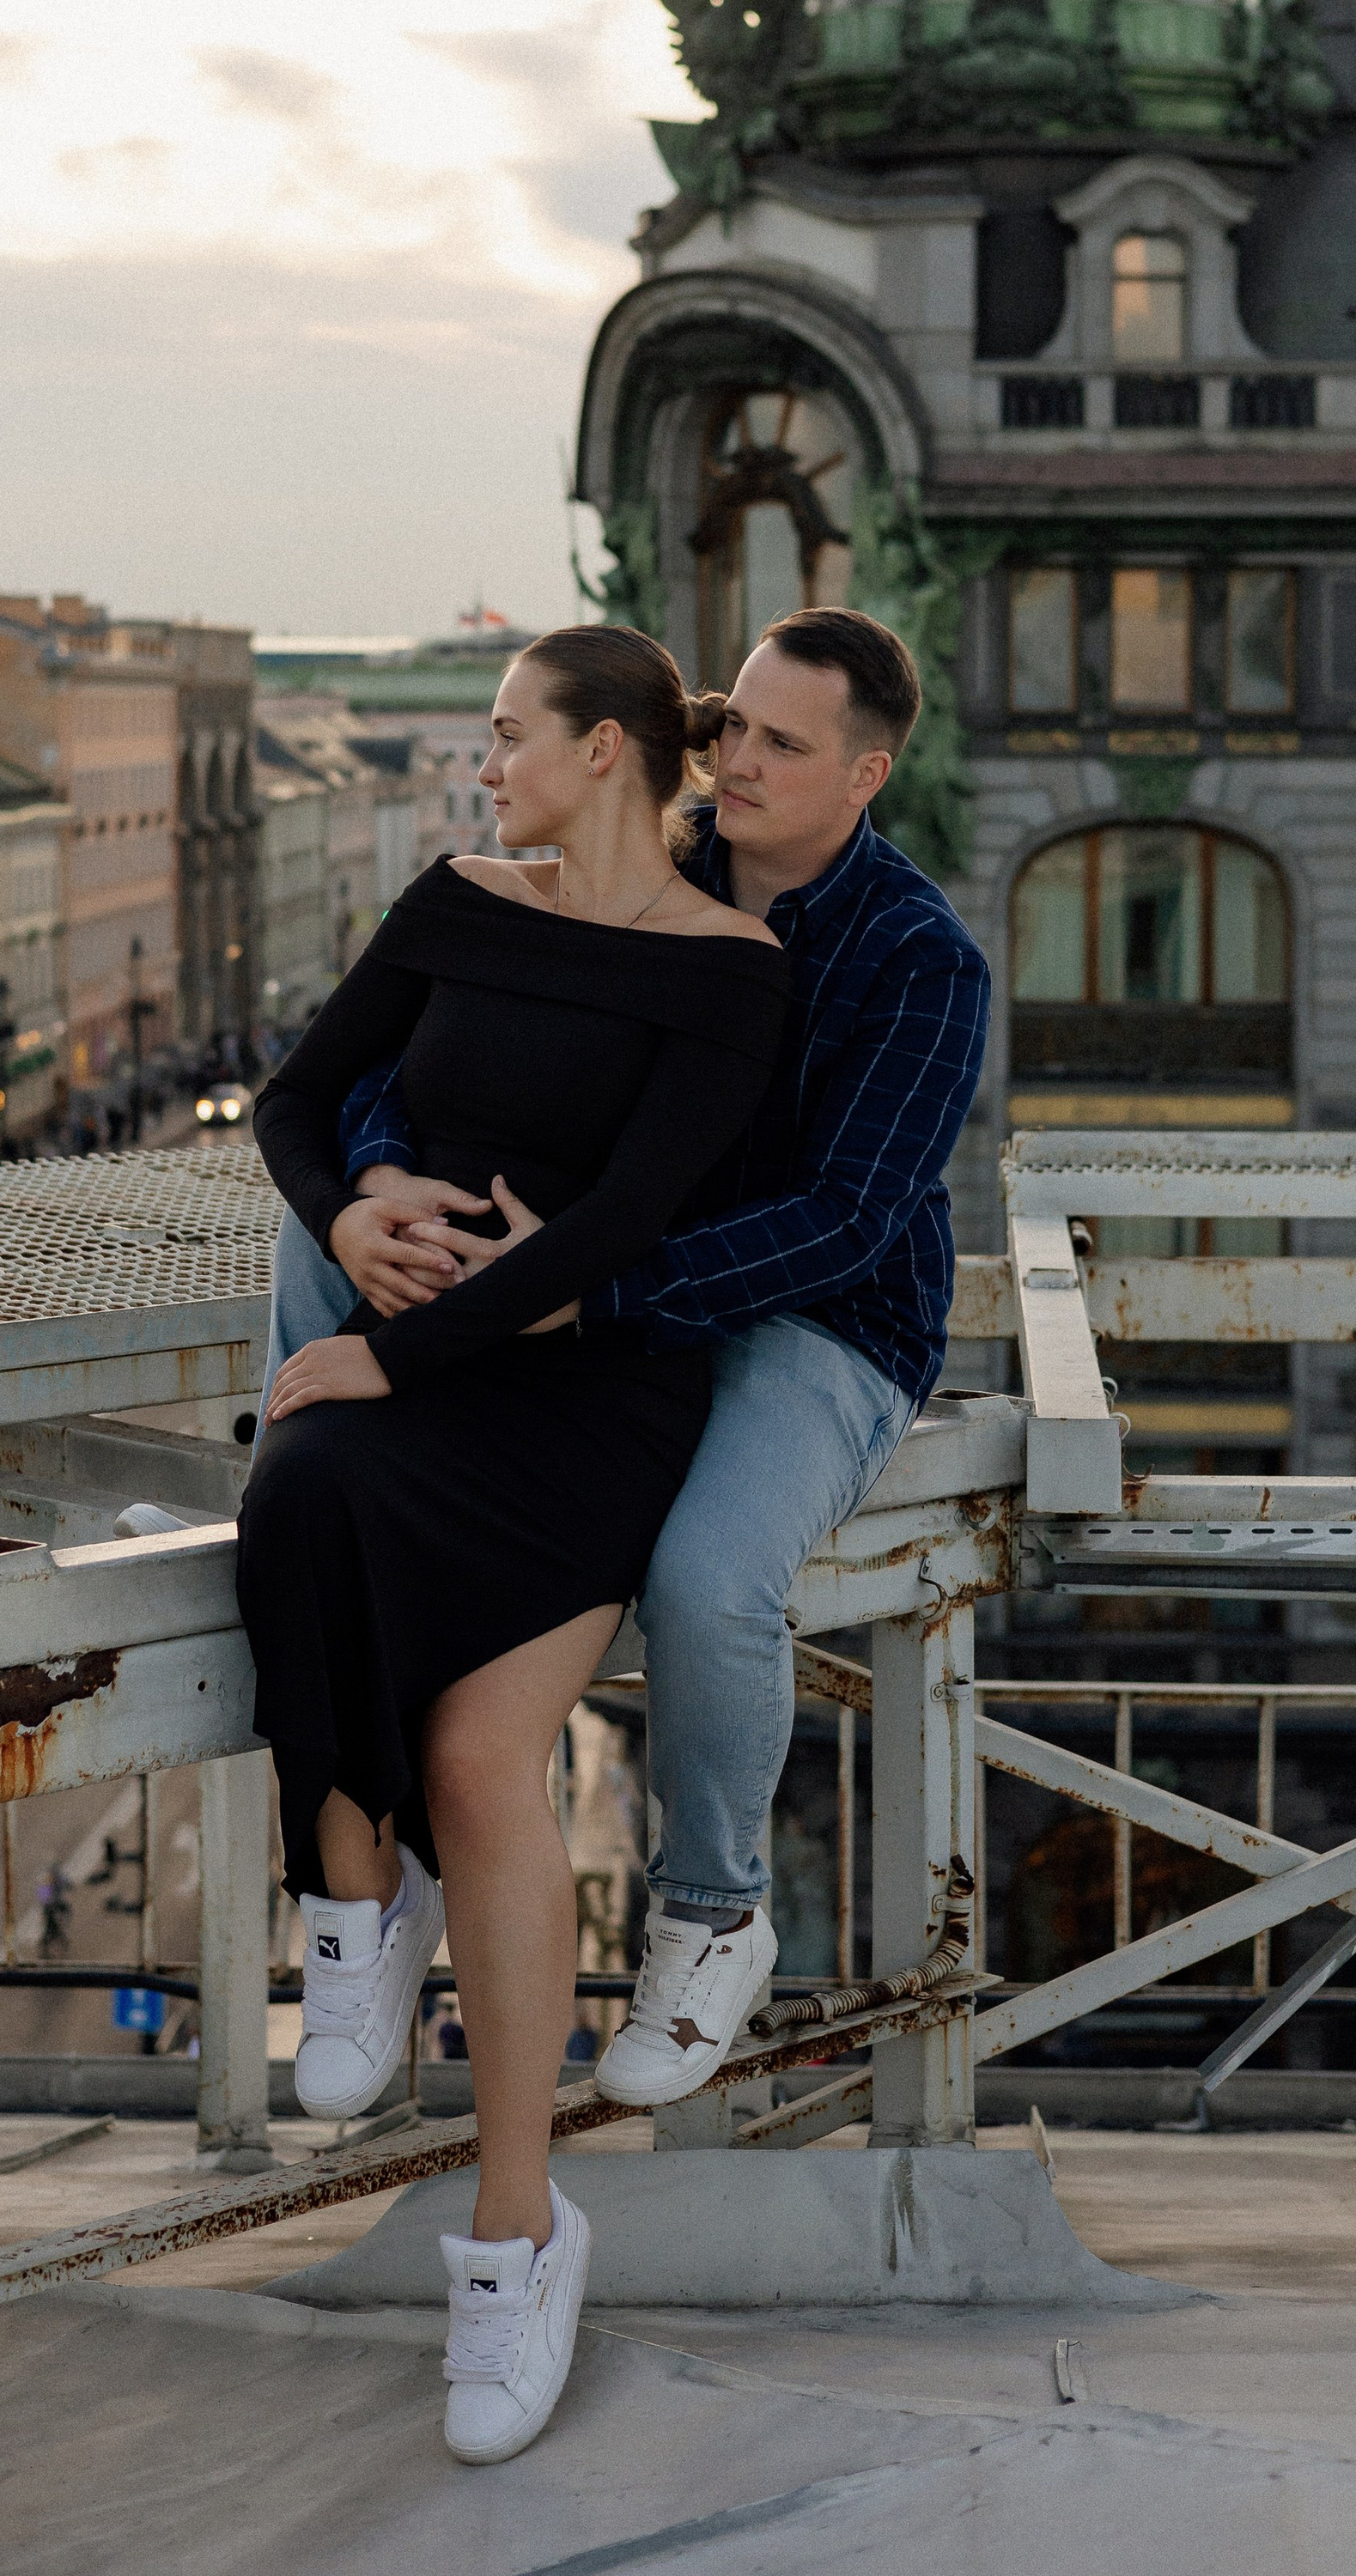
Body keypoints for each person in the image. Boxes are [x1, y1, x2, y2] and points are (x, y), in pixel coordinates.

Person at [265, 605, 989, 2110]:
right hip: (586, 1280)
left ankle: (714, 1912)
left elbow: (846, 1223)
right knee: (315, 1240)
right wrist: (390, 1185)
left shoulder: (920, 959)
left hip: (806, 1320)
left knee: (711, 1580)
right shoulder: (647, 864)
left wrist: (579, 1290)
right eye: (733, 727)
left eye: (786, 746)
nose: (738, 762)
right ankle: (286, 1489)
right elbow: (427, 1053)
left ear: (867, 778)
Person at [240, 623, 786, 2466]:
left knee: (485, 1760)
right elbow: (299, 1100)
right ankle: (347, 1897)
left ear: (609, 753)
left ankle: (512, 2237)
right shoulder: (458, 895)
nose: (486, 767)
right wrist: (363, 1206)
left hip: (585, 1403)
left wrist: (393, 1349)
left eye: (506, 737)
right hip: (426, 1372)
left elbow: (626, 1221)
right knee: (296, 1489)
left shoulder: (731, 970)